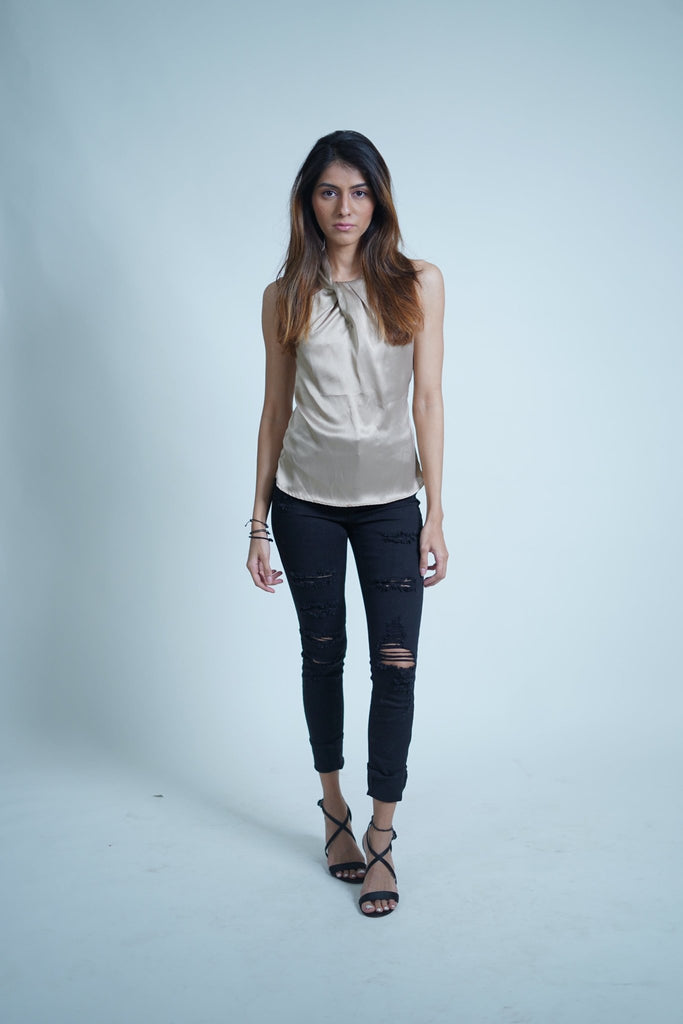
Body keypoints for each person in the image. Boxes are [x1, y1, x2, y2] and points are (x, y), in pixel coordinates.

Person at [246, 130, 447, 917]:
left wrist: (436, 514)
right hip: (305, 504)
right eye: (329, 191)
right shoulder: (284, 296)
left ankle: (382, 834)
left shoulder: (417, 282)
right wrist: (256, 523)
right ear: (308, 200)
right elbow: (273, 411)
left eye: (359, 192)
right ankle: (333, 810)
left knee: (395, 665)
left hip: (392, 503)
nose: (344, 207)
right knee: (322, 655)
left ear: (378, 199)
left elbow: (427, 400)